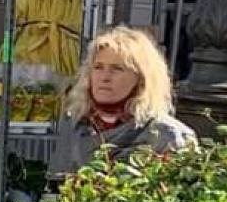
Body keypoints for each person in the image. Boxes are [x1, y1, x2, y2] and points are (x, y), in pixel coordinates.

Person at [55, 25, 196, 171]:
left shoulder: (167, 135)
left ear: (141, 79)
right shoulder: (76, 125)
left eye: (117, 69)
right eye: (98, 67)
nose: (105, 77)